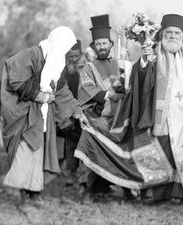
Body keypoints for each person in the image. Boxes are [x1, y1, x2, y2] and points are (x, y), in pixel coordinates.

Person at [1, 26, 85, 206]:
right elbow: (15, 76)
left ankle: (35, 193)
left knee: (37, 156)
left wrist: (78, 112)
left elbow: (62, 91)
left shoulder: (55, 63)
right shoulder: (33, 54)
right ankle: (22, 195)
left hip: (41, 117)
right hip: (24, 116)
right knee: (24, 154)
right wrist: (39, 96)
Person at [135, 13, 183, 203]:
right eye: (169, 32)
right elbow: (140, 82)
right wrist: (144, 62)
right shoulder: (152, 56)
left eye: (177, 33)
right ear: (162, 33)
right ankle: (156, 195)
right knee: (161, 154)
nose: (173, 36)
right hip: (161, 117)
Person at [77, 14, 131, 198]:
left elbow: (129, 85)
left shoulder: (121, 64)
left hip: (121, 116)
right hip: (99, 116)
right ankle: (95, 189)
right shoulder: (88, 68)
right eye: (98, 44)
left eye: (104, 43)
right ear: (93, 46)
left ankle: (126, 187)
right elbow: (86, 90)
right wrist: (110, 95)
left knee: (125, 149)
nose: (101, 47)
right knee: (96, 145)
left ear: (111, 44)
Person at [56, 40, 85, 186]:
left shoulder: (86, 69)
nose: (74, 59)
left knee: (84, 144)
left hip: (84, 112)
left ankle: (83, 176)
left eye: (76, 56)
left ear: (81, 55)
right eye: (71, 56)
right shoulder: (63, 71)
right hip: (69, 113)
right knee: (70, 144)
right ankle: (71, 173)